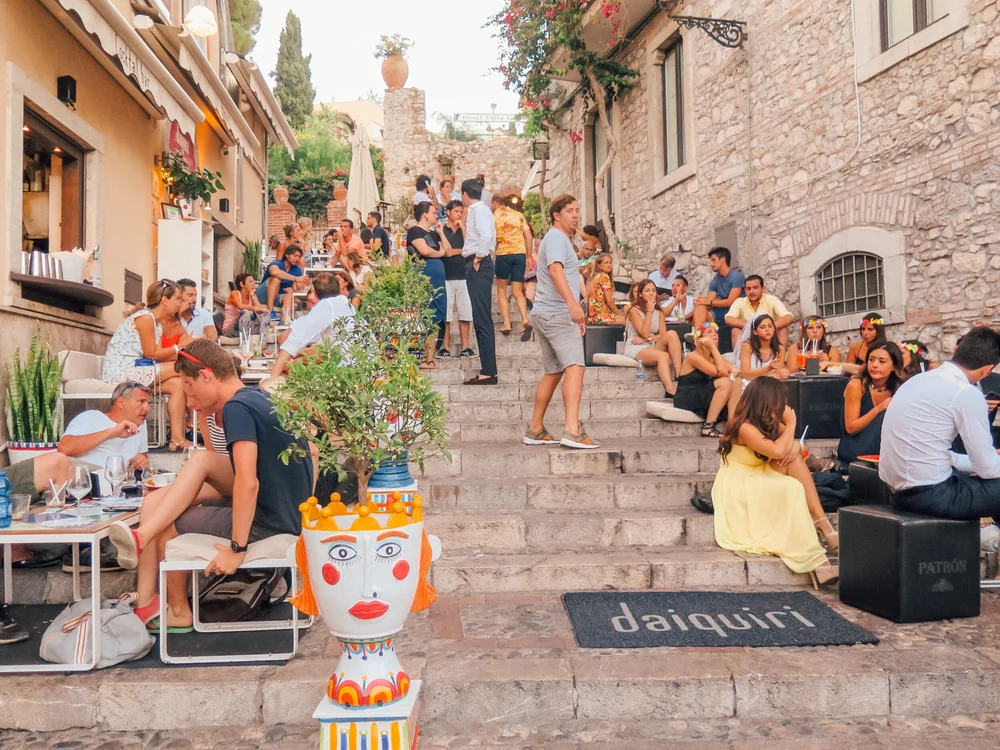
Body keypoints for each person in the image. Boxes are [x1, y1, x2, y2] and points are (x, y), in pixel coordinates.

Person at [108, 339, 313, 632]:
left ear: (206, 376)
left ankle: (178, 610)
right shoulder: (256, 397)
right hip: (289, 510)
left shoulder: (236, 409)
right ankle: (142, 542)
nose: (190, 402)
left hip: (268, 522)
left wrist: (237, 548)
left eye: (189, 389)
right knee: (199, 463)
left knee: (168, 524)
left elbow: (247, 482)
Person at [713, 378, 840, 586]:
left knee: (795, 459)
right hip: (738, 482)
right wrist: (792, 425)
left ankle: (824, 527)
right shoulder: (743, 427)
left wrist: (794, 445)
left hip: (758, 473)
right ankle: (818, 560)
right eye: (781, 400)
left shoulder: (767, 421)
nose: (784, 406)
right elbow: (779, 451)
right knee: (792, 487)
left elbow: (793, 447)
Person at [878, 327, 1000, 519]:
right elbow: (987, 468)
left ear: (956, 350)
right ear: (987, 370)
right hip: (933, 496)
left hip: (897, 494)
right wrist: (993, 460)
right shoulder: (966, 392)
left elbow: (938, 456)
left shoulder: (916, 381)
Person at [523, 194, 599, 449]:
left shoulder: (560, 239)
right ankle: (572, 430)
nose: (575, 215)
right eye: (569, 211)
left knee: (554, 371)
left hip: (546, 313)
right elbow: (555, 271)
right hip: (556, 313)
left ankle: (535, 428)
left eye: (577, 210)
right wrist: (572, 305)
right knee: (575, 367)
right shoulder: (556, 238)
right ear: (556, 215)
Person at [102, 280, 190, 452]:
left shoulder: (157, 323)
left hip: (140, 369)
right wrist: (179, 348)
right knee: (183, 369)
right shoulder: (145, 318)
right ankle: (194, 422)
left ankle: (177, 440)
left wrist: (182, 351)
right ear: (165, 300)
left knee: (178, 385)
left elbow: (159, 355)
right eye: (178, 298)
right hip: (122, 371)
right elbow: (151, 353)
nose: (180, 303)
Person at [58, 381, 152, 495]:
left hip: (116, 489)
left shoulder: (140, 425)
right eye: (141, 401)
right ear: (121, 402)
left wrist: (142, 463)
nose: (147, 408)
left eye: (148, 403)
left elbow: (142, 459)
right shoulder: (90, 417)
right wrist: (112, 432)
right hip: (84, 487)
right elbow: (64, 448)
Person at [269, 273, 356, 378]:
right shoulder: (347, 305)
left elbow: (295, 341)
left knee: (294, 372)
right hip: (360, 367)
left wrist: (272, 378)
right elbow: (320, 348)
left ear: (314, 292)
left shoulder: (326, 305)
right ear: (339, 290)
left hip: (344, 371)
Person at [407, 202, 456, 369]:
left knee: (437, 316)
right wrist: (440, 253)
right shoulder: (415, 231)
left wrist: (441, 233)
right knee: (425, 314)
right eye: (434, 213)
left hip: (438, 279)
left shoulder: (434, 233)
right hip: (424, 276)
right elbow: (425, 251)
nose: (436, 216)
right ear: (425, 215)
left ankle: (430, 358)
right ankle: (421, 356)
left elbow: (449, 251)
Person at [837, 342, 903, 465]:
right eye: (871, 360)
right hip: (856, 450)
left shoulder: (899, 388)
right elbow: (851, 428)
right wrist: (878, 409)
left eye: (882, 361)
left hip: (885, 452)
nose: (874, 365)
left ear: (893, 366)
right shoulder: (856, 385)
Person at [674, 321, 741, 438]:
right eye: (709, 332)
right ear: (699, 339)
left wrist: (735, 370)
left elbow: (734, 369)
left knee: (736, 380)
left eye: (715, 332)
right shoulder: (693, 356)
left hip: (704, 394)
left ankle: (732, 424)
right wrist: (713, 348)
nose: (714, 334)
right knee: (725, 382)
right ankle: (708, 427)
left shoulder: (714, 357)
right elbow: (721, 373)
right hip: (687, 396)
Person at [461, 178, 498, 385]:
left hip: (478, 263)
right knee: (480, 316)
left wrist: (478, 258)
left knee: (482, 317)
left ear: (465, 194)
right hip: (479, 262)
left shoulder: (479, 210)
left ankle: (489, 371)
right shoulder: (481, 211)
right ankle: (488, 369)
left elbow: (486, 237)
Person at [624, 280, 683, 395]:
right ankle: (670, 389)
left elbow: (663, 335)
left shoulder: (659, 312)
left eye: (653, 290)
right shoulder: (634, 311)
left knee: (672, 334)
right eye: (647, 291)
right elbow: (645, 333)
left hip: (650, 342)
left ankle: (679, 375)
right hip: (636, 345)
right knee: (664, 356)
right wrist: (649, 312)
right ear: (640, 294)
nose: (651, 293)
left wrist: (647, 339)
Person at [492, 187, 532, 336]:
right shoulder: (518, 215)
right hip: (519, 254)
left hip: (503, 254)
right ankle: (524, 319)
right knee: (517, 291)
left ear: (495, 203)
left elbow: (490, 236)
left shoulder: (494, 217)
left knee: (501, 289)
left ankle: (507, 323)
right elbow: (528, 236)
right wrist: (529, 256)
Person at [441, 200, 474, 357]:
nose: (459, 214)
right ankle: (445, 347)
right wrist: (460, 250)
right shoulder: (442, 230)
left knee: (465, 313)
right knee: (446, 315)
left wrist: (464, 229)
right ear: (448, 212)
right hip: (446, 276)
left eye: (461, 212)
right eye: (456, 211)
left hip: (464, 276)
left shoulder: (465, 230)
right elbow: (444, 251)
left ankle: (465, 347)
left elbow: (470, 248)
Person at [724, 275, 793, 349]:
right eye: (748, 289)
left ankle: (780, 355)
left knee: (783, 329)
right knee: (735, 330)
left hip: (769, 336)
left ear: (763, 289)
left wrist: (770, 327)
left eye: (755, 288)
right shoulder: (740, 302)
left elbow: (788, 317)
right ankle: (740, 356)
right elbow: (728, 318)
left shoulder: (771, 300)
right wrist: (749, 326)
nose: (752, 291)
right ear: (745, 291)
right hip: (749, 338)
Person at [693, 247, 745, 332]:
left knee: (705, 316)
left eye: (713, 260)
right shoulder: (715, 279)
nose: (711, 264)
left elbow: (730, 302)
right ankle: (697, 334)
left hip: (734, 310)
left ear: (723, 259)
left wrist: (708, 302)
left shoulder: (736, 276)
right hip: (721, 309)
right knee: (700, 307)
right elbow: (709, 302)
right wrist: (700, 302)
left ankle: (698, 334)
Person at [256, 245, 307, 323]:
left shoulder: (297, 269)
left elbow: (301, 291)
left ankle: (283, 322)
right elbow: (274, 272)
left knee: (288, 296)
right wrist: (295, 278)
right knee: (276, 278)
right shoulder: (277, 263)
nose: (297, 259)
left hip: (279, 296)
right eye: (295, 256)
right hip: (263, 294)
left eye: (299, 257)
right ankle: (270, 312)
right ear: (287, 255)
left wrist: (293, 292)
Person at [738, 313, 789, 382]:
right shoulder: (747, 346)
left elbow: (779, 371)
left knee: (784, 372)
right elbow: (745, 374)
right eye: (762, 327)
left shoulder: (780, 348)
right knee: (773, 377)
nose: (767, 329)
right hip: (750, 381)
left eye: (770, 326)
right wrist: (769, 368)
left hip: (773, 380)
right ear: (755, 331)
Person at [221, 273, 267, 338]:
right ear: (242, 284)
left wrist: (253, 295)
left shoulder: (251, 296)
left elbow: (260, 311)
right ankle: (244, 342)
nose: (253, 284)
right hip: (230, 330)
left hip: (245, 329)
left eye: (253, 282)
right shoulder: (234, 293)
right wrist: (255, 308)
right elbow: (240, 306)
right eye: (250, 281)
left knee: (265, 315)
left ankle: (263, 343)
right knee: (245, 312)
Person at [585, 252, 624, 325]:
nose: (609, 265)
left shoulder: (591, 278)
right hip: (602, 316)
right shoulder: (604, 276)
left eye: (610, 262)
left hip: (590, 317)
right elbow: (610, 301)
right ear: (598, 265)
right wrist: (619, 314)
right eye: (606, 263)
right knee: (630, 321)